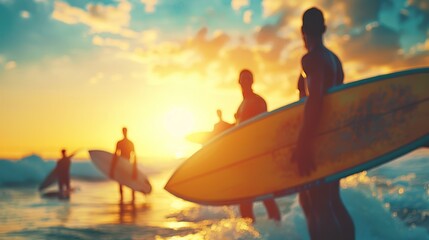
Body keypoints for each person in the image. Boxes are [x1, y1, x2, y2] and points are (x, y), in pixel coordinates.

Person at [291, 7, 355, 239]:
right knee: (329, 202)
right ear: (325, 28)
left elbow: (315, 99)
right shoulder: (333, 59)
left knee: (319, 206)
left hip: (317, 140)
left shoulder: (312, 58)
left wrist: (303, 142)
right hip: (332, 141)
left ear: (302, 31)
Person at [235, 69, 281, 222]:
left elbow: (263, 128)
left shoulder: (257, 101)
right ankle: (251, 235)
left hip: (257, 157)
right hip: (244, 159)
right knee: (245, 203)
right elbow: (238, 131)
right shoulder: (242, 104)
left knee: (265, 196)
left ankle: (278, 231)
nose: (245, 82)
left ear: (252, 81)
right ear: (239, 82)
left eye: (248, 79)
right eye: (243, 79)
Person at [110, 127, 138, 202]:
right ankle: (123, 199)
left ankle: (132, 200)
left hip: (127, 164)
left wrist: (134, 168)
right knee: (121, 183)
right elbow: (116, 155)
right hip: (123, 164)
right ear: (123, 132)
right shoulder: (121, 143)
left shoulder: (129, 143)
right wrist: (112, 168)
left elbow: (134, 156)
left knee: (130, 183)